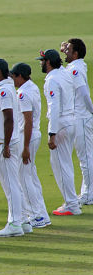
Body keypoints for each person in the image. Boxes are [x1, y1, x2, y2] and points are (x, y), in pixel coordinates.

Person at [0, 58, 26, 237]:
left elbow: (9, 118)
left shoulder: (3, 92)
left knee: (10, 185)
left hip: (5, 143)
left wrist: (6, 145)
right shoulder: (5, 88)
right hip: (8, 142)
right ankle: (23, 221)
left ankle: (15, 223)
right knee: (14, 183)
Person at [37, 49, 80, 215]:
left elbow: (54, 107)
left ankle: (71, 205)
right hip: (71, 121)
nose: (41, 63)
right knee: (66, 164)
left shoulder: (52, 80)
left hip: (61, 124)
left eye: (42, 61)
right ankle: (72, 201)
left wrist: (51, 133)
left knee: (61, 166)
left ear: (48, 62)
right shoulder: (65, 74)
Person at [10, 63, 51, 228]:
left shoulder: (23, 94)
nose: (12, 79)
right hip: (34, 135)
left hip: (27, 136)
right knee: (31, 176)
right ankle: (42, 214)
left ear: (20, 76)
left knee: (24, 177)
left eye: (13, 76)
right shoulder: (31, 86)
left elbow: (27, 121)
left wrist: (25, 147)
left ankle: (36, 216)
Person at [61, 39, 93, 206]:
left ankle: (89, 194)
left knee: (85, 157)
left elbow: (83, 93)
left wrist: (91, 110)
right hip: (80, 116)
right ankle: (88, 192)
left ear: (75, 54)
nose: (65, 52)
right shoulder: (76, 66)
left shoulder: (75, 70)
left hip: (81, 116)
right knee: (85, 156)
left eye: (68, 50)